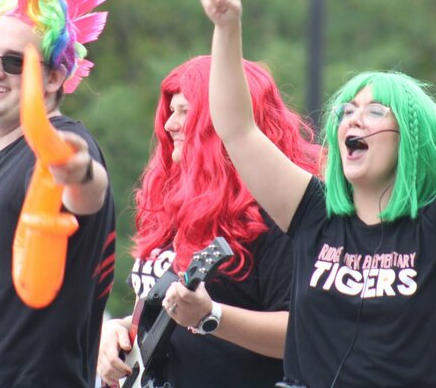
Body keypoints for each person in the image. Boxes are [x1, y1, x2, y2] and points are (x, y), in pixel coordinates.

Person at [201, 0, 436, 388]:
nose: (353, 119)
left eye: (375, 111)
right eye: (347, 110)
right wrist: (227, 29)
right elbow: (237, 130)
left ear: (411, 141)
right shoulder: (312, 214)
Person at [97, 56, 322, 387]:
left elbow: (308, 333)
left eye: (185, 112)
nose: (170, 125)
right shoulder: (173, 208)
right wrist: (115, 332)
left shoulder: (276, 212)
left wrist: (211, 316)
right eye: (171, 112)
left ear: (226, 118)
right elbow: (167, 321)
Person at [0, 0, 117, 388]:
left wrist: (77, 171)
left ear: (53, 78)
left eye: (13, 61)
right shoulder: (9, 161)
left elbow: (88, 189)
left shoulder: (60, 142)